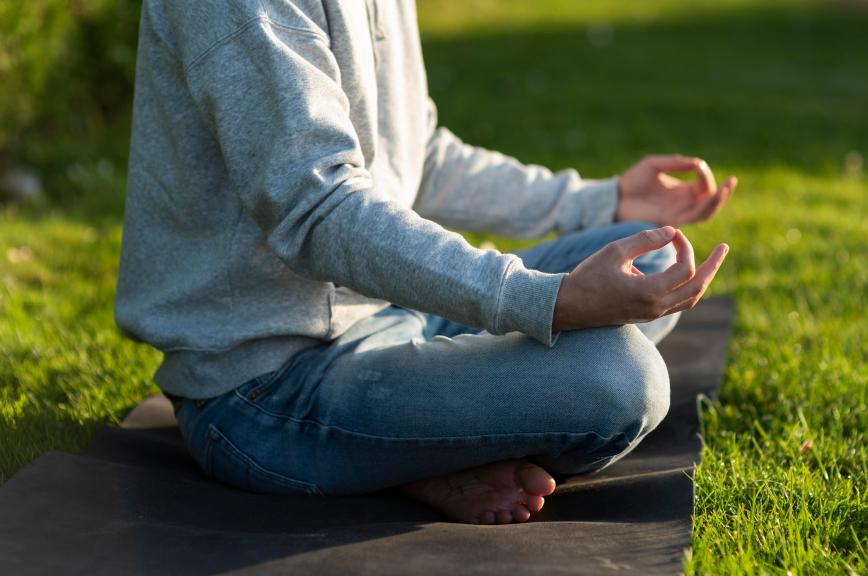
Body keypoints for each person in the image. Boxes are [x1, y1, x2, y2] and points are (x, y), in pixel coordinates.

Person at [115, 0, 737, 526]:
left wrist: (600, 201)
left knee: (650, 253)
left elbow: (418, 154)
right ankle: (411, 452)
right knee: (621, 381)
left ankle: (415, 448)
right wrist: (545, 301)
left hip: (389, 313)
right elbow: (317, 207)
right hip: (268, 388)